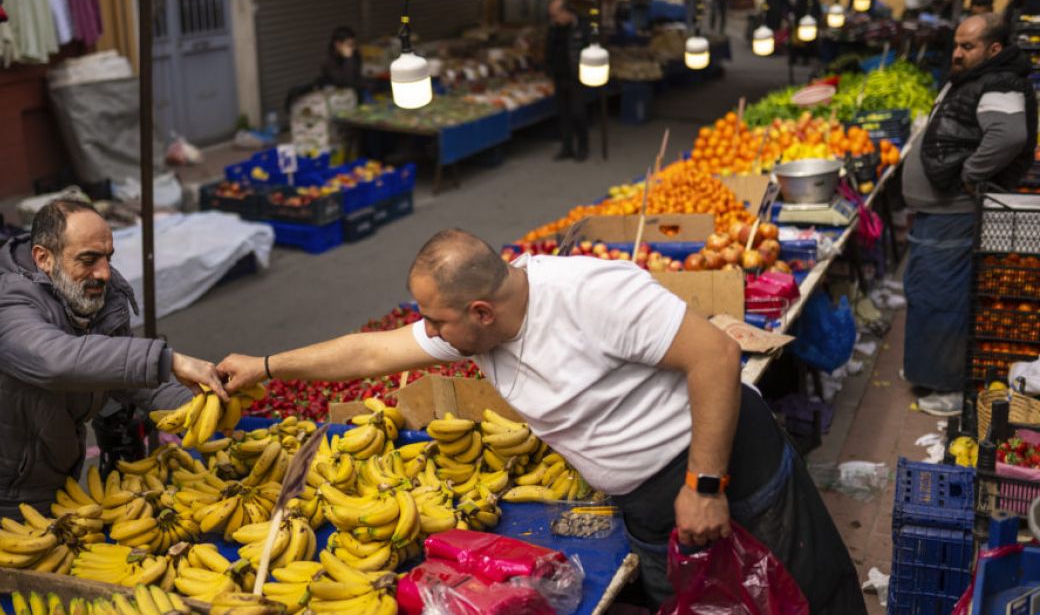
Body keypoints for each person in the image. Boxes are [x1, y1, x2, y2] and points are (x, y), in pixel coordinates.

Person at [217, 229, 866, 613]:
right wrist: (267, 364)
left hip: (730, 470)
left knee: (803, 593)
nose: (427, 332)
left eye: (436, 320)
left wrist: (704, 484)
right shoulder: (476, 326)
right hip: (649, 507)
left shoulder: (592, 294)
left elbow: (717, 355)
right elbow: (369, 350)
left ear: (479, 311)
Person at [0, 199, 228, 530]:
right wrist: (168, 360)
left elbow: (124, 376)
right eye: (88, 260)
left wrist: (204, 403)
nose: (104, 273)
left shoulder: (96, 296)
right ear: (44, 258)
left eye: (107, 257)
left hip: (50, 471)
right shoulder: (9, 302)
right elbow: (54, 360)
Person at [903, 13, 1036, 416]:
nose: (957, 53)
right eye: (956, 45)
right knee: (927, 291)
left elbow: (1010, 134)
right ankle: (929, 371)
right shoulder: (977, 78)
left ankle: (946, 388)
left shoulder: (1000, 81)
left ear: (994, 49)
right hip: (937, 211)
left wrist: (970, 174)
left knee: (942, 296)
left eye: (968, 46)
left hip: (953, 212)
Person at [545, 0, 589, 162]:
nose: (553, 19)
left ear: (566, 12)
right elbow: (548, 48)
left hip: (576, 77)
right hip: (559, 75)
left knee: (578, 112)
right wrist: (549, 68)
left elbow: (591, 49)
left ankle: (583, 148)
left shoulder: (582, 27)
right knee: (563, 114)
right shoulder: (554, 28)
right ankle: (567, 147)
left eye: (555, 15)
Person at [319, 26, 365, 94]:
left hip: (354, 89)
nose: (353, 48)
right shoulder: (329, 60)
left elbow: (356, 75)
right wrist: (348, 58)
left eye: (353, 44)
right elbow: (348, 82)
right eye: (349, 45)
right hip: (336, 92)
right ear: (337, 44)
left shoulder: (354, 53)